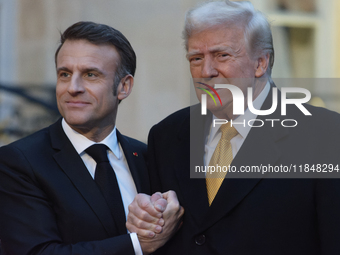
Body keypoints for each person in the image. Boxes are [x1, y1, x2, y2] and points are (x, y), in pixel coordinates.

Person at [127, 1, 340, 254]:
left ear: (261, 63)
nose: (206, 71)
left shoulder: (325, 135)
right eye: (196, 58)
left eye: (222, 55)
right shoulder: (167, 135)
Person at [0, 21, 181, 255]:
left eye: (90, 74)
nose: (72, 87)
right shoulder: (19, 162)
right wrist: (139, 245)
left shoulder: (146, 156)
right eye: (65, 74)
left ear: (124, 87)